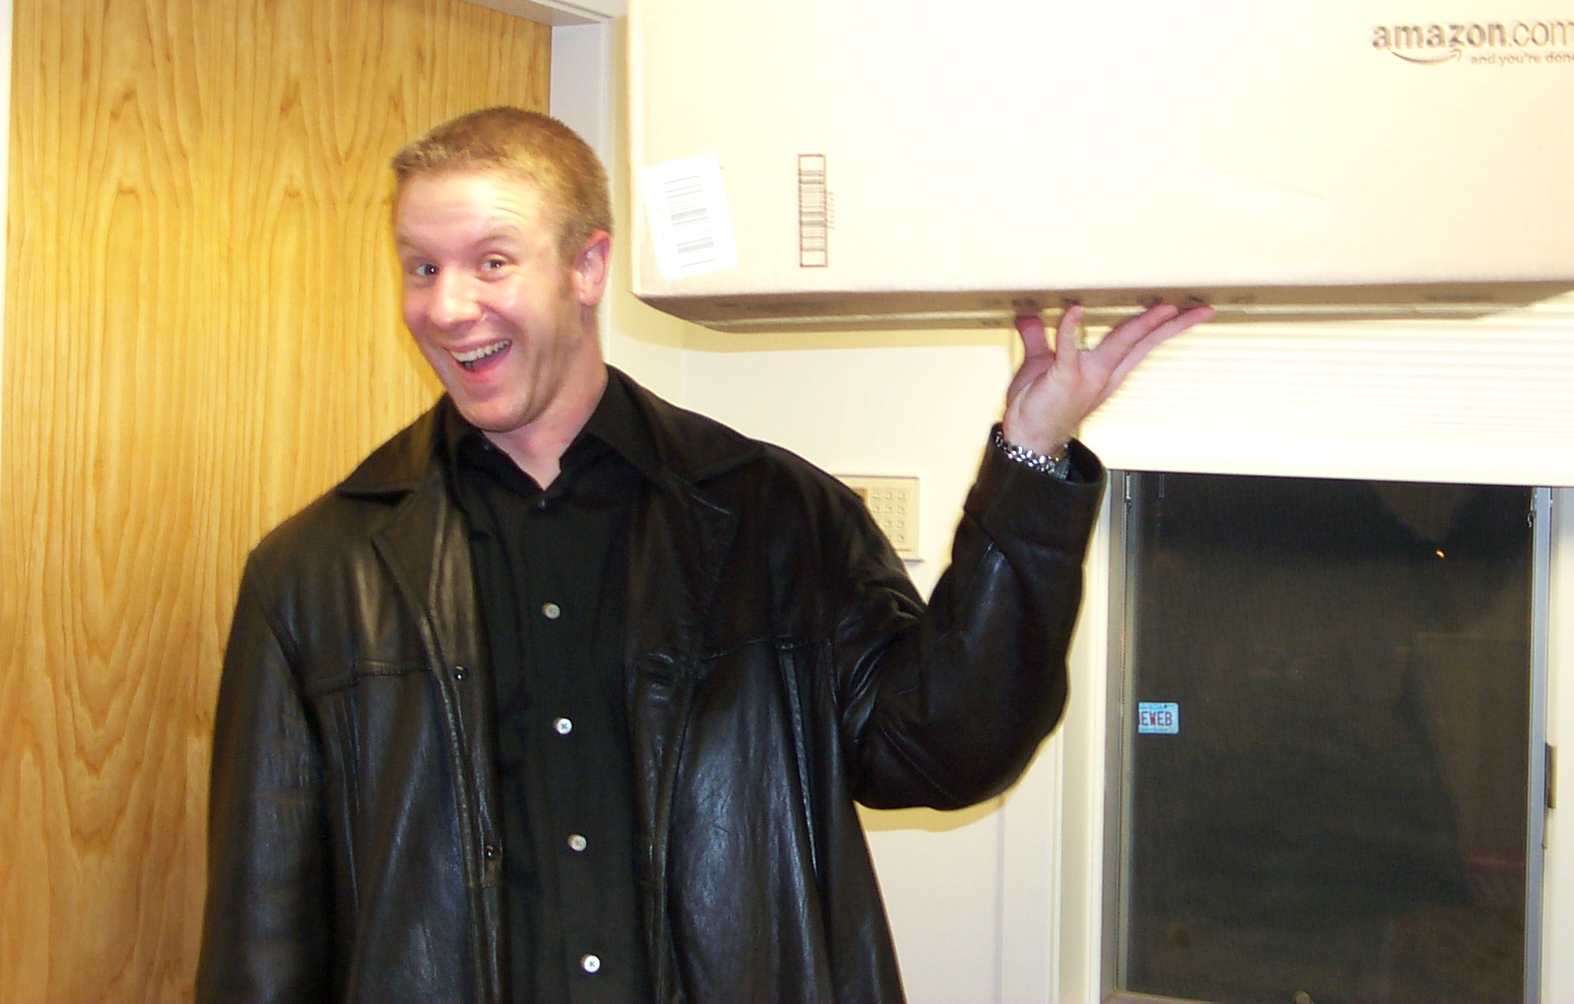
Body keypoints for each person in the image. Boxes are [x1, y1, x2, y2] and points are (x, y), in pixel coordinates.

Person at [196, 107, 1209, 1004]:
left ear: (588, 267)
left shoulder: (774, 518)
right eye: (421, 267)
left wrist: (1032, 456)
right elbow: (262, 940)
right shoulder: (315, 574)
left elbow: (942, 749)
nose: (447, 306)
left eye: (491, 262)